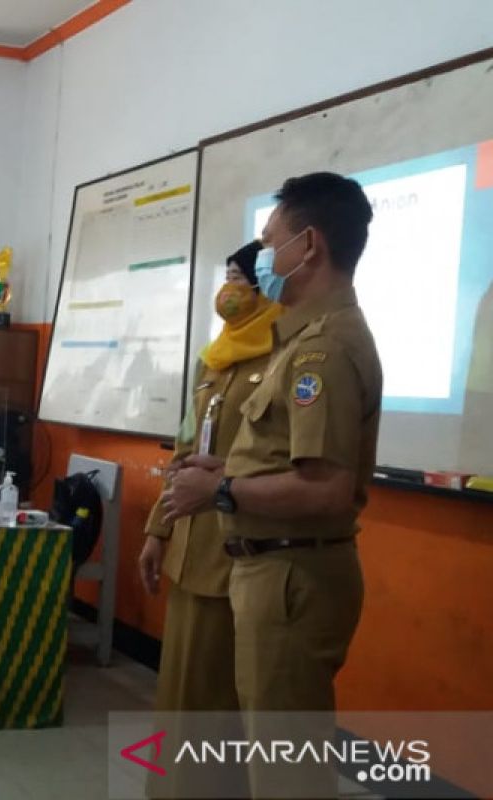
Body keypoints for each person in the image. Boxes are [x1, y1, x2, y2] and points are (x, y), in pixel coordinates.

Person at [163, 172, 381, 795]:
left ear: (307, 245)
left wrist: (221, 492)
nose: (262, 259)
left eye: (269, 242)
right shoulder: (299, 340)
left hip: (293, 578)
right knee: (269, 765)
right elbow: (284, 460)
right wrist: (224, 470)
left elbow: (326, 490)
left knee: (288, 775)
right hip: (274, 571)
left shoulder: (324, 352)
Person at [139, 241, 280, 797]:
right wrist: (158, 527)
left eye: (241, 276)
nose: (229, 289)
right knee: (180, 697)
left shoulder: (283, 356)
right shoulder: (214, 358)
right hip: (190, 550)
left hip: (243, 551)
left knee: (221, 704)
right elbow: (182, 449)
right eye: (226, 276)